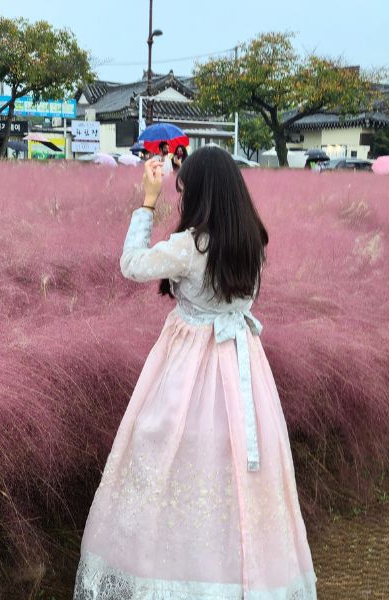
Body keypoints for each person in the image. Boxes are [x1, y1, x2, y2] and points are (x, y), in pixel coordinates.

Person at [74, 147, 317, 599]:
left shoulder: (192, 246)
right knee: (239, 474)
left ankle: (170, 575)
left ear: (201, 194)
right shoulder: (252, 240)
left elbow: (132, 265)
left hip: (189, 369)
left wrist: (146, 204)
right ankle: (244, 576)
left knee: (169, 459)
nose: (180, 199)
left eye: (183, 191)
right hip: (244, 367)